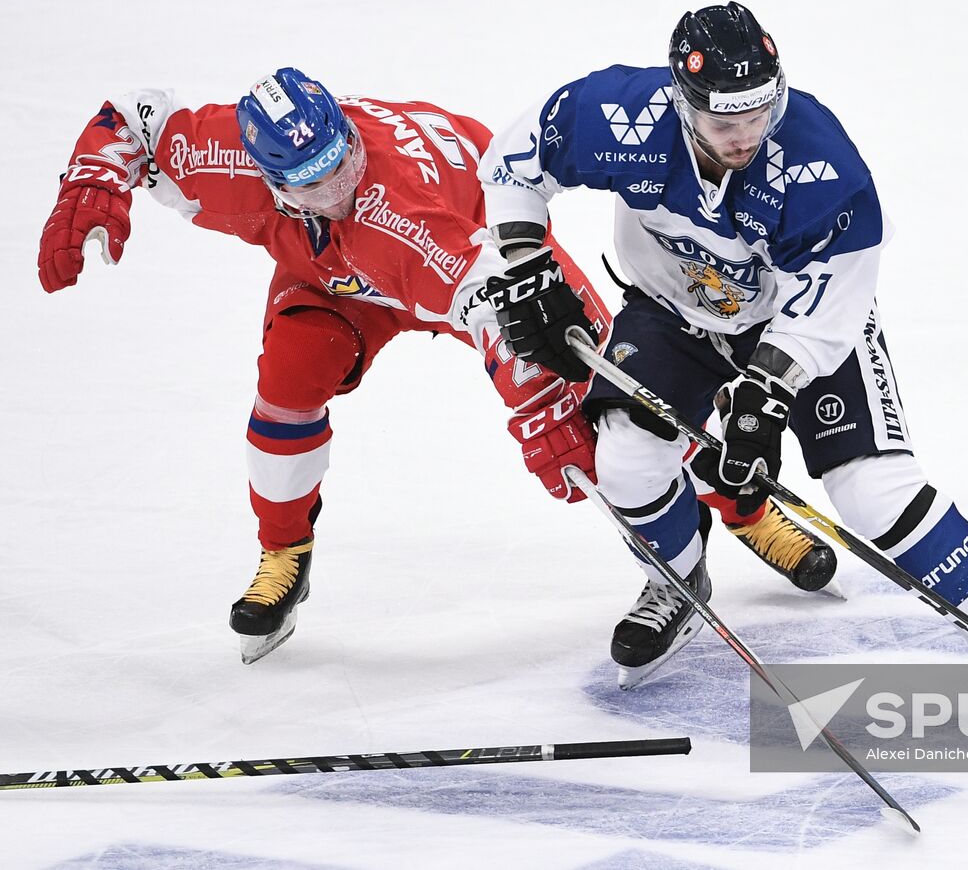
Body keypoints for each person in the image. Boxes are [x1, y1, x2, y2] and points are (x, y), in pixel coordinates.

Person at [479, 2, 968, 691]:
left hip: (798, 322)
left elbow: (830, 303)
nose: (748, 135)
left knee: (870, 491)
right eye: (727, 122)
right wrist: (525, 260)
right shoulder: (620, 115)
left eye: (761, 112)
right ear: (681, 101)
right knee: (628, 460)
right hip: (671, 311)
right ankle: (678, 578)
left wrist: (764, 397)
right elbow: (517, 163)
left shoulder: (820, 162)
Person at [35, 68, 611, 664]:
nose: (336, 192)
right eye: (310, 185)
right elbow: (134, 118)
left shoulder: (401, 213)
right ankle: (284, 551)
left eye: (342, 163)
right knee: (287, 380)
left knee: (606, 389)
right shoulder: (224, 157)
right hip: (337, 279)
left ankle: (710, 506)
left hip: (474, 245)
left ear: (347, 132)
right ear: (267, 177)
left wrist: (544, 403)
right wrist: (93, 182)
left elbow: (499, 300)